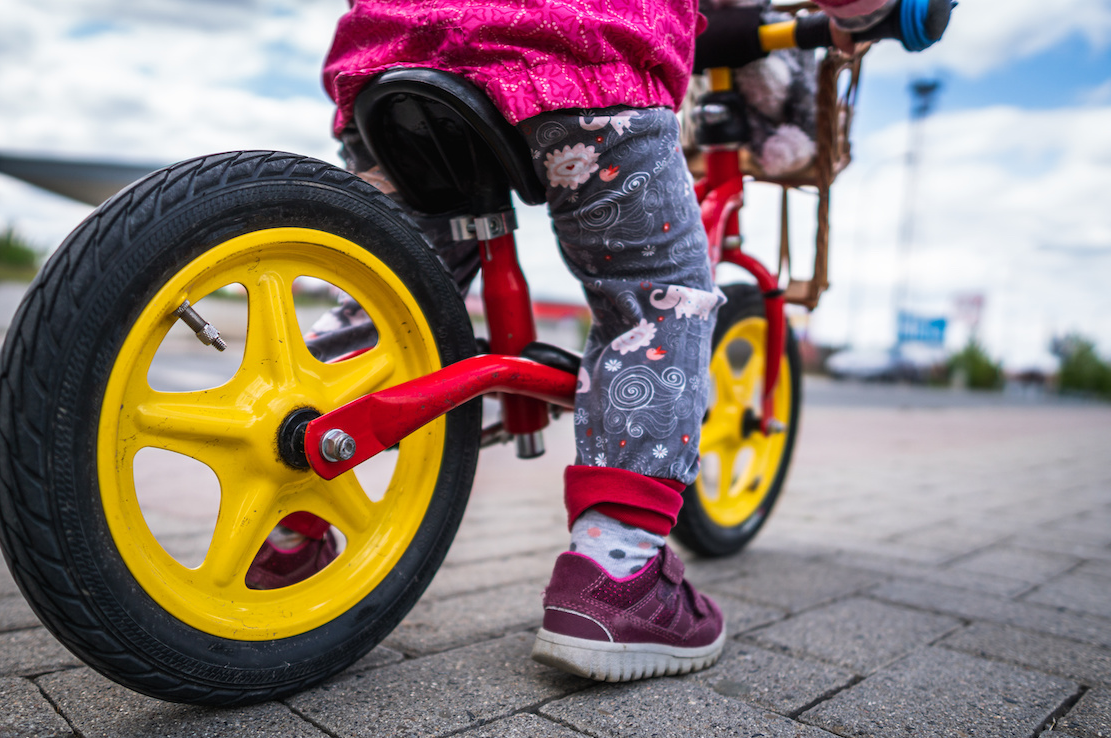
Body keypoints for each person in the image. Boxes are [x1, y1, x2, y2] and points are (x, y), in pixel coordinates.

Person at [261, 0, 878, 681]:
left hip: (393, 63)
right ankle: (620, 575)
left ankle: (287, 533)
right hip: (581, 55)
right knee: (654, 297)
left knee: (391, 297)